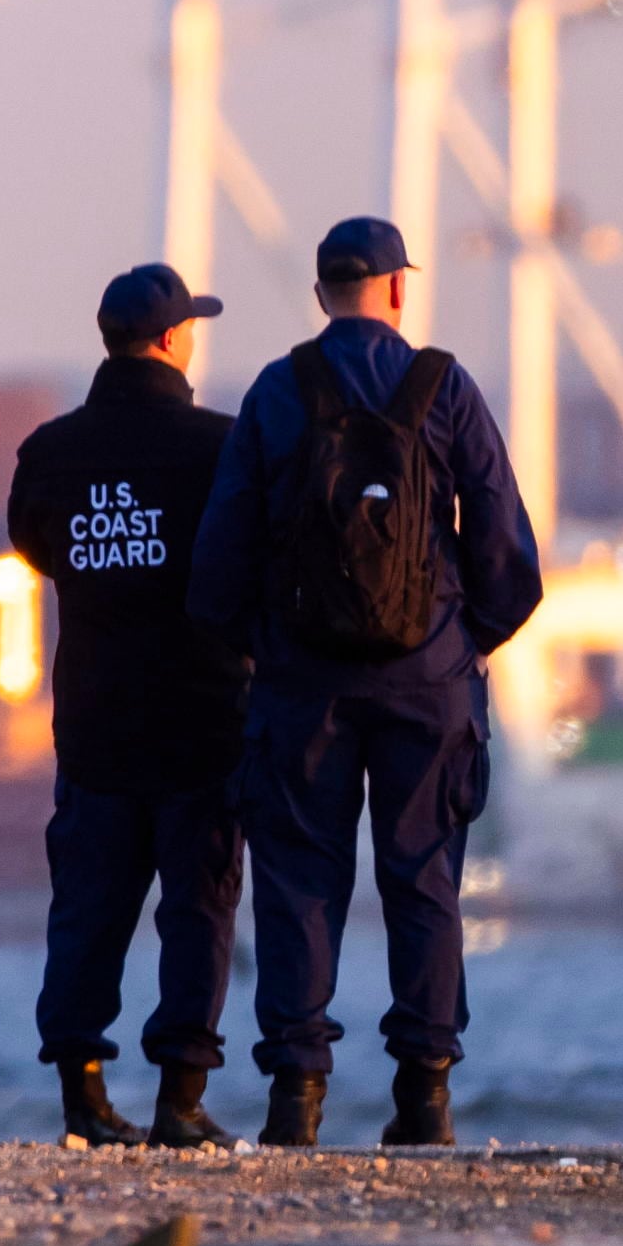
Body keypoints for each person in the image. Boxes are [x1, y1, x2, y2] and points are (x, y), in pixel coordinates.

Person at [186, 216, 542, 1149]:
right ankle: (424, 1100)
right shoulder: (445, 387)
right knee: (425, 882)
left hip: (303, 685)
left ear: (320, 295)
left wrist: (264, 647)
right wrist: (462, 643)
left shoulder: (277, 390)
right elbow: (507, 544)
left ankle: (294, 1100)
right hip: (430, 684)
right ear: (395, 289)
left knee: (299, 882)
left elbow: (219, 559)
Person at [4, 262, 248, 1149]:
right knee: (198, 910)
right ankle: (181, 1102)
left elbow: (36, 545)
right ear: (177, 338)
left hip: (97, 722)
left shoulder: (52, 451)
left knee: (89, 909)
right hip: (204, 720)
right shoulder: (224, 447)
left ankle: (84, 1096)